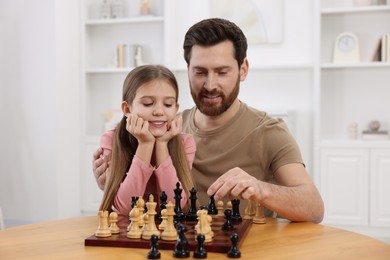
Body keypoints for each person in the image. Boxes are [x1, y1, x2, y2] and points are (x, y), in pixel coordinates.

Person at [93, 18, 324, 223]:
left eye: (222, 72)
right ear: (188, 69)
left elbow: (314, 208)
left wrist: (260, 189)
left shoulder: (269, 132)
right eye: (200, 72)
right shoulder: (167, 128)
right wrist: (113, 180)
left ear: (243, 70)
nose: (210, 84)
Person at [98, 65, 196, 216]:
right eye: (148, 103)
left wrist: (162, 145)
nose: (158, 111)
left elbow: (175, 206)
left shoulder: (185, 143)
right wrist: (145, 144)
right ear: (127, 109)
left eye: (168, 104)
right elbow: (126, 208)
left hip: (169, 233)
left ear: (176, 108)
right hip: (128, 233)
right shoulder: (110, 139)